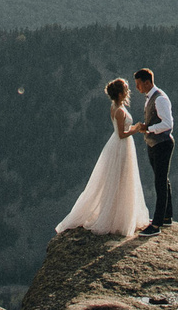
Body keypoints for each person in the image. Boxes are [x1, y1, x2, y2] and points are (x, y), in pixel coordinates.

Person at [55, 76, 148, 238]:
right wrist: (136, 129)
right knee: (122, 179)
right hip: (122, 147)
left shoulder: (114, 108)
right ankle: (118, 218)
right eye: (125, 89)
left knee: (119, 180)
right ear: (120, 94)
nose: (128, 91)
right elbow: (122, 133)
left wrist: (134, 128)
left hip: (119, 146)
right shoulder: (119, 111)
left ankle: (117, 216)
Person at [131, 67, 174, 231]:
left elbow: (168, 124)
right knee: (162, 179)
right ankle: (166, 216)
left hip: (161, 144)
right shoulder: (152, 97)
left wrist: (148, 129)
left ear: (147, 82)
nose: (137, 88)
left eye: (139, 84)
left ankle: (156, 224)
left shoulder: (160, 99)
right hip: (154, 144)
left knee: (160, 182)